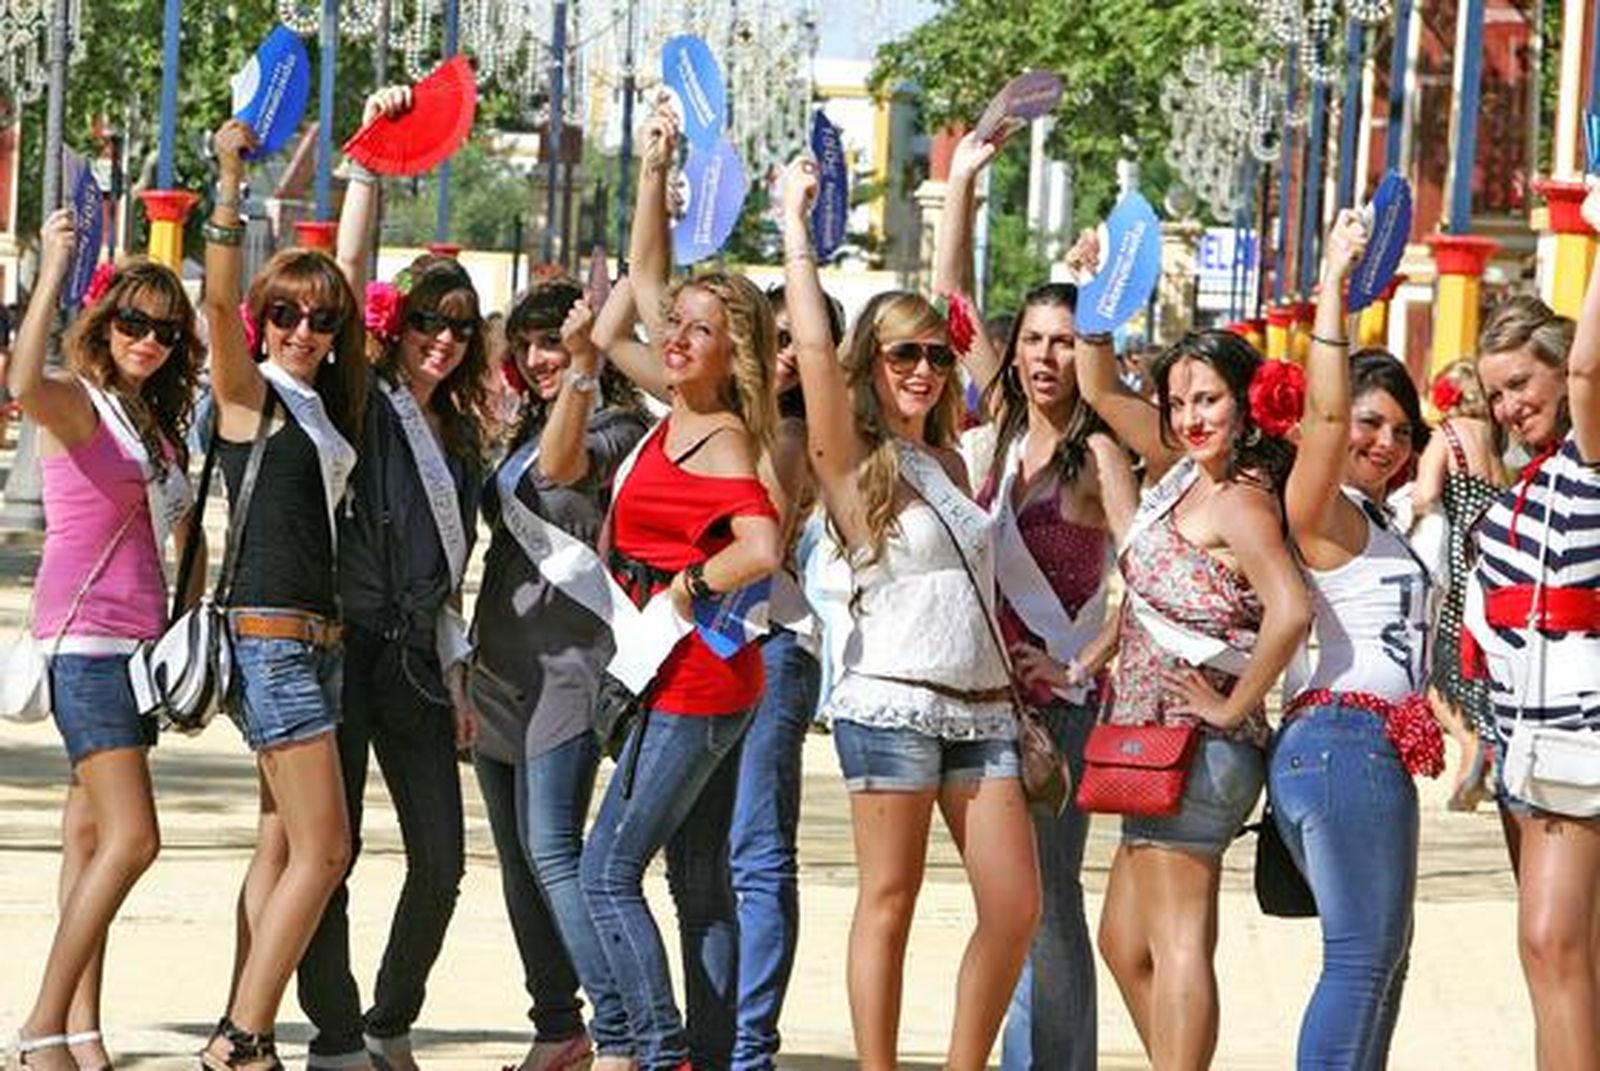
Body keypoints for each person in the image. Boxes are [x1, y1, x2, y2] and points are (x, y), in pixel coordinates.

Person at [780, 154, 1041, 1071]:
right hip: (889, 701)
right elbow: (815, 352)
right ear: (871, 365)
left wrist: (963, 190)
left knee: (1016, 906)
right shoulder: (852, 464)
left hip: (982, 708)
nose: (926, 368)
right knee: (887, 898)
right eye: (905, 354)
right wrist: (795, 230)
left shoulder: (957, 464)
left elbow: (958, 307)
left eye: (935, 354)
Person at [576, 101, 783, 1071]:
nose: (676, 337)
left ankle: (653, 1052)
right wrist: (654, 171)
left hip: (697, 676)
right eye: (678, 329)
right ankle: (709, 1050)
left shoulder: (727, 430)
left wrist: (694, 581)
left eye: (699, 331)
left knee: (607, 869)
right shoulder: (674, 406)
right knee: (697, 878)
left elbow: (763, 545)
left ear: (729, 349)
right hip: (682, 671)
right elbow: (642, 289)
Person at [293, 86, 487, 1071]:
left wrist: (456, 676)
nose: (441, 337)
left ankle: (388, 1019)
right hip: (346, 647)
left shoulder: (462, 435)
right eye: (426, 319)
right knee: (333, 856)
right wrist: (367, 162)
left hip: (416, 658)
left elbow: (453, 576)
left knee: (443, 864)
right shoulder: (362, 398)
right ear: (395, 321)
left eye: (459, 325)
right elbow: (347, 269)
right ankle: (332, 1033)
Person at [935, 131, 1138, 1071]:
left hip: (1062, 702)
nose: (1049, 355)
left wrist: (1080, 663)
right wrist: (967, 184)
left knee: (1049, 896)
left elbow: (1145, 579)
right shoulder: (996, 426)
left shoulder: (1097, 454)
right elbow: (949, 309)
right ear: (1013, 350)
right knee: (1005, 899)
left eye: (1067, 340)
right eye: (1036, 339)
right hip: (982, 700)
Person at [1077, 307, 1311, 1070]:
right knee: (1121, 940)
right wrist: (1098, 301)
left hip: (1200, 747)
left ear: (1244, 402)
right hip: (1148, 745)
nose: (1189, 416)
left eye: (1207, 398)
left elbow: (1290, 608)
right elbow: (1100, 390)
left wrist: (1233, 704)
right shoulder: (1183, 478)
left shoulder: (1242, 497)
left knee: (1179, 942)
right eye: (1178, 403)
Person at [8, 212, 202, 1071]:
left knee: (89, 840)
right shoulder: (80, 408)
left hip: (140, 653)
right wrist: (54, 265)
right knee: (135, 838)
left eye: (165, 330)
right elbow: (20, 378)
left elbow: (183, 537)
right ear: (103, 325)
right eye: (133, 323)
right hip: (86, 645)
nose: (149, 341)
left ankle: (82, 1029)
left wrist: (188, 626)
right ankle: (42, 1024)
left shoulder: (154, 429)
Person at [200, 118, 369, 1071]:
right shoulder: (248, 391)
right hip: (271, 640)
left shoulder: (319, 401)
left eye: (322, 320)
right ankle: (244, 1036)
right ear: (267, 322)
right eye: (288, 317)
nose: (303, 332)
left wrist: (367, 166)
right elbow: (220, 304)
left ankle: (241, 1021)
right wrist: (229, 178)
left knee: (279, 849)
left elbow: (343, 263)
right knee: (326, 847)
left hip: (317, 642)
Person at [469, 273, 648, 1071]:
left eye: (554, 340)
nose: (542, 357)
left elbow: (563, 468)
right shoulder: (522, 426)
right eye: (532, 345)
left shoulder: (615, 426)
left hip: (571, 668)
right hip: (499, 667)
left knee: (553, 852)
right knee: (515, 860)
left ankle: (618, 1030)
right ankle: (556, 1023)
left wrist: (582, 361)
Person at [1275, 210, 1438, 1069]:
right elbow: (1327, 425)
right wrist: (1333, 287)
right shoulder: (1322, 509)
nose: (1382, 441)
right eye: (1371, 422)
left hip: (1365, 751)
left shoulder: (1378, 519)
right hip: (1342, 744)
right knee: (1360, 961)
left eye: (1400, 431)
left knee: (1384, 963)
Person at [1466, 184, 1600, 1071]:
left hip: (1582, 742)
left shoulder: (1593, 457)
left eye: (1522, 383)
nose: (1511, 404)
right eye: (1495, 393)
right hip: (1532, 754)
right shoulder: (1521, 493)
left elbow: (1592, 375)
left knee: (1550, 945)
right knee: (1569, 960)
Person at [1412, 358, 1507, 810]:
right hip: (1492, 556)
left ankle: (1471, 744)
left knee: (1436, 662)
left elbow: (1426, 493)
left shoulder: (1445, 437)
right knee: (1480, 655)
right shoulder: (1495, 439)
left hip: (1454, 559)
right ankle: (1488, 743)